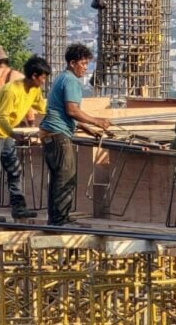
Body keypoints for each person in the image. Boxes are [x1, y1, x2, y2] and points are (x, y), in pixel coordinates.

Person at [39, 43, 113, 226]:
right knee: (66, 177)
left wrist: (87, 129)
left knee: (58, 177)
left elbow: (65, 112)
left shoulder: (61, 78)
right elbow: (72, 110)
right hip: (58, 135)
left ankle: (56, 218)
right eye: (83, 63)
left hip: (51, 133)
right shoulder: (71, 80)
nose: (86, 68)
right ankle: (60, 219)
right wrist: (97, 121)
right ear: (73, 63)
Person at [0, 55, 51, 222]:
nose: (44, 81)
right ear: (34, 76)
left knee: (14, 169)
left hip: (5, 132)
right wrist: (14, 134)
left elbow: (43, 107)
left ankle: (18, 207)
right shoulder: (12, 90)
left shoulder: (34, 90)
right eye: (43, 77)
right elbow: (1, 117)